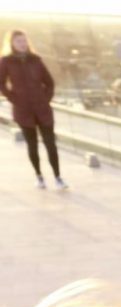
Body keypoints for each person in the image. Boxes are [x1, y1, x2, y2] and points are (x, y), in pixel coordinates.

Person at [0, 29, 67, 190]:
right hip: (23, 111)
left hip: (43, 109)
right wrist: (14, 99)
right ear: (12, 44)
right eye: (18, 41)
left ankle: (58, 177)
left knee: (51, 144)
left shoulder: (36, 60)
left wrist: (46, 98)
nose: (22, 44)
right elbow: (1, 84)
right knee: (32, 145)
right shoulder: (6, 61)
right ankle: (39, 176)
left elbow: (49, 82)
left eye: (24, 41)